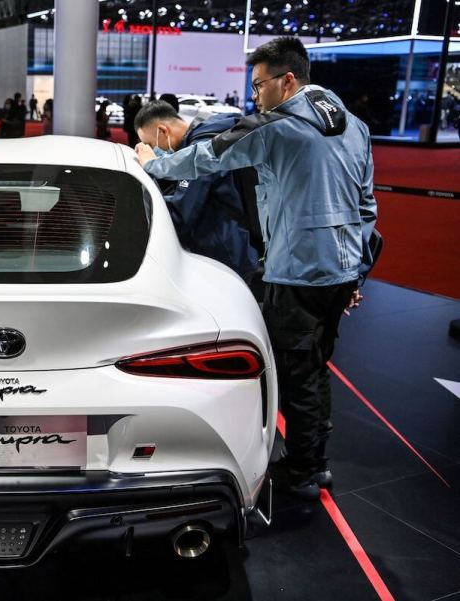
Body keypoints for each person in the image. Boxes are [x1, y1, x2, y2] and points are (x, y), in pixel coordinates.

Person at [135, 37, 378, 500]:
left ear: (287, 81)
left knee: (296, 372)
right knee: (317, 365)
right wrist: (357, 272)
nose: (255, 96)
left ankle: (304, 469)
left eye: (260, 85)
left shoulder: (277, 127)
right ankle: (316, 461)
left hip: (296, 272)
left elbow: (208, 156)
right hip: (341, 271)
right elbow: (368, 205)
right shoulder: (356, 128)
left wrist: (157, 163)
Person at [133, 100, 262, 291]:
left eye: (150, 144)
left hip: (227, 261)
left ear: (163, 131)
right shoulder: (208, 139)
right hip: (231, 250)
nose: (153, 151)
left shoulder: (202, 150)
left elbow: (181, 213)